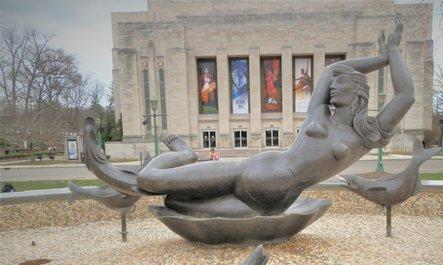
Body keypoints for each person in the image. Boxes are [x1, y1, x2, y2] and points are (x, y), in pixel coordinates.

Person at [96, 16, 413, 217]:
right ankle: (185, 154)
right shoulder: (320, 113)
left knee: (177, 203)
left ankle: (183, 157)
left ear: (357, 94)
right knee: (152, 182)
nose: (332, 90)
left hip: (276, 199)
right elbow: (330, 70)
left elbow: (406, 96)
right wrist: (380, 58)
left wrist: (393, 54)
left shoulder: (364, 135)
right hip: (251, 169)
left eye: (340, 86)